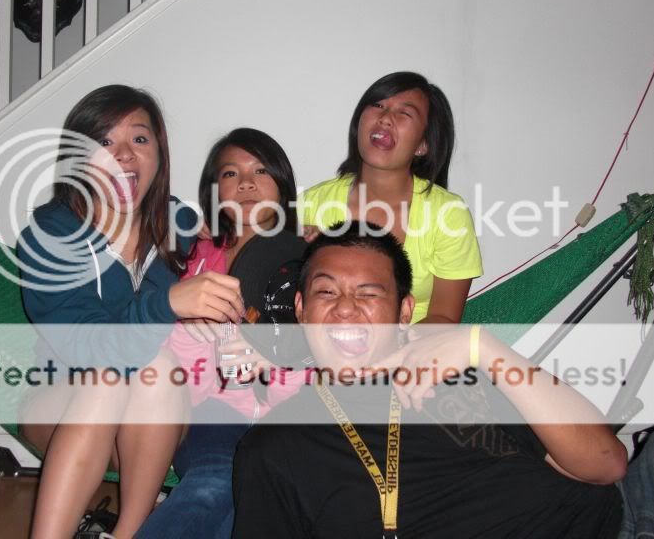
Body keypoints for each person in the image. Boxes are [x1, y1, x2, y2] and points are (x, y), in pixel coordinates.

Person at [233, 223, 628, 538]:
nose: (346, 308)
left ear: (404, 312)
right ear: (301, 310)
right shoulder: (274, 447)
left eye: (368, 294)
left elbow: (606, 464)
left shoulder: (463, 374)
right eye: (326, 291)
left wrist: (486, 348)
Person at [16, 85, 245, 539]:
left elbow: (244, 232)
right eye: (104, 141)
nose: (123, 154)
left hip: (151, 423)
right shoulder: (50, 236)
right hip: (65, 407)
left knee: (157, 368)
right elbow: (86, 346)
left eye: (139, 139)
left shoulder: (179, 224)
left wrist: (308, 238)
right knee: (108, 378)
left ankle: (130, 532)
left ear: (159, 152)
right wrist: (169, 303)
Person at [137, 128, 306, 538]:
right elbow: (164, 369)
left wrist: (276, 359)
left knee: (260, 504)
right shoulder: (189, 256)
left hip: (292, 418)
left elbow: (323, 354)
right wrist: (192, 335)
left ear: (282, 184)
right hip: (212, 412)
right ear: (214, 191)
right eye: (231, 173)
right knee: (218, 482)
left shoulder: (310, 261)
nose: (246, 182)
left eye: (260, 170)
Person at [298, 71, 482, 324]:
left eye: (404, 113)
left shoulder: (449, 214)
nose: (385, 118)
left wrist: (387, 349)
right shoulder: (310, 203)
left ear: (423, 145)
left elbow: (444, 319)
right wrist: (307, 253)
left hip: (414, 346)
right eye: (377, 105)